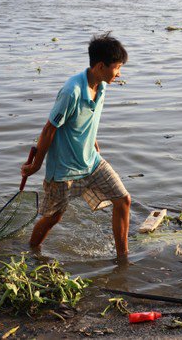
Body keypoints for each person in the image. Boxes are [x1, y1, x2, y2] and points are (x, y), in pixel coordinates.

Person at [21, 33, 131, 259]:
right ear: (101, 66)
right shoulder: (72, 91)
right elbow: (49, 129)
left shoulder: (101, 86)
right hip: (63, 170)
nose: (119, 73)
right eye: (117, 67)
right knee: (53, 217)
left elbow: (86, 119)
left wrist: (93, 143)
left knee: (123, 200)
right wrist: (36, 166)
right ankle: (32, 252)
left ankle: (123, 258)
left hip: (91, 161)